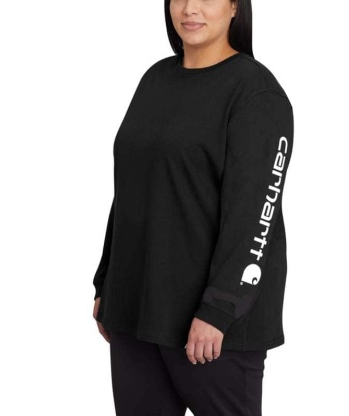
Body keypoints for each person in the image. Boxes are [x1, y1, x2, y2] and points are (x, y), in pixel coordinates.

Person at [92, 0, 294, 414]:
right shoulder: (155, 79)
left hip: (210, 329)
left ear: (235, 6)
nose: (190, 8)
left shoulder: (255, 93)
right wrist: (107, 282)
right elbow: (132, 188)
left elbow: (256, 214)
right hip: (137, 312)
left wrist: (219, 309)